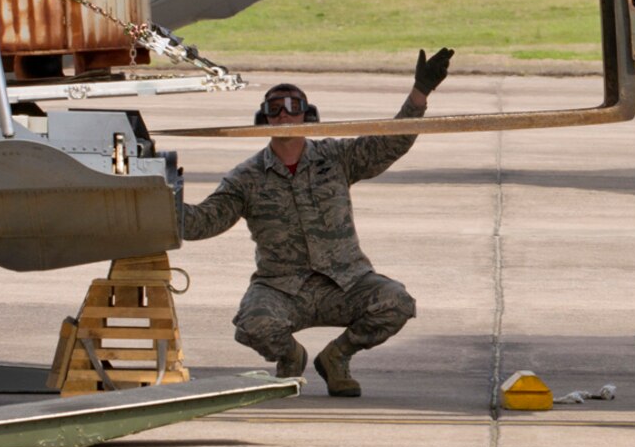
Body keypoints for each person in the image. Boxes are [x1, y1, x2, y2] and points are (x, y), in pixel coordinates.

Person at [178, 49, 454, 396]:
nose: (284, 116)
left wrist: (420, 93)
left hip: (344, 283)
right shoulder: (245, 178)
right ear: (264, 122)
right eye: (274, 110)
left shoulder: (336, 157)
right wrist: (160, 199)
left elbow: (389, 143)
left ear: (309, 116)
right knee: (253, 324)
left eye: (293, 108)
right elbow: (203, 222)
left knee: (396, 301)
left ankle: (336, 358)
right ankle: (291, 359)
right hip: (282, 288)